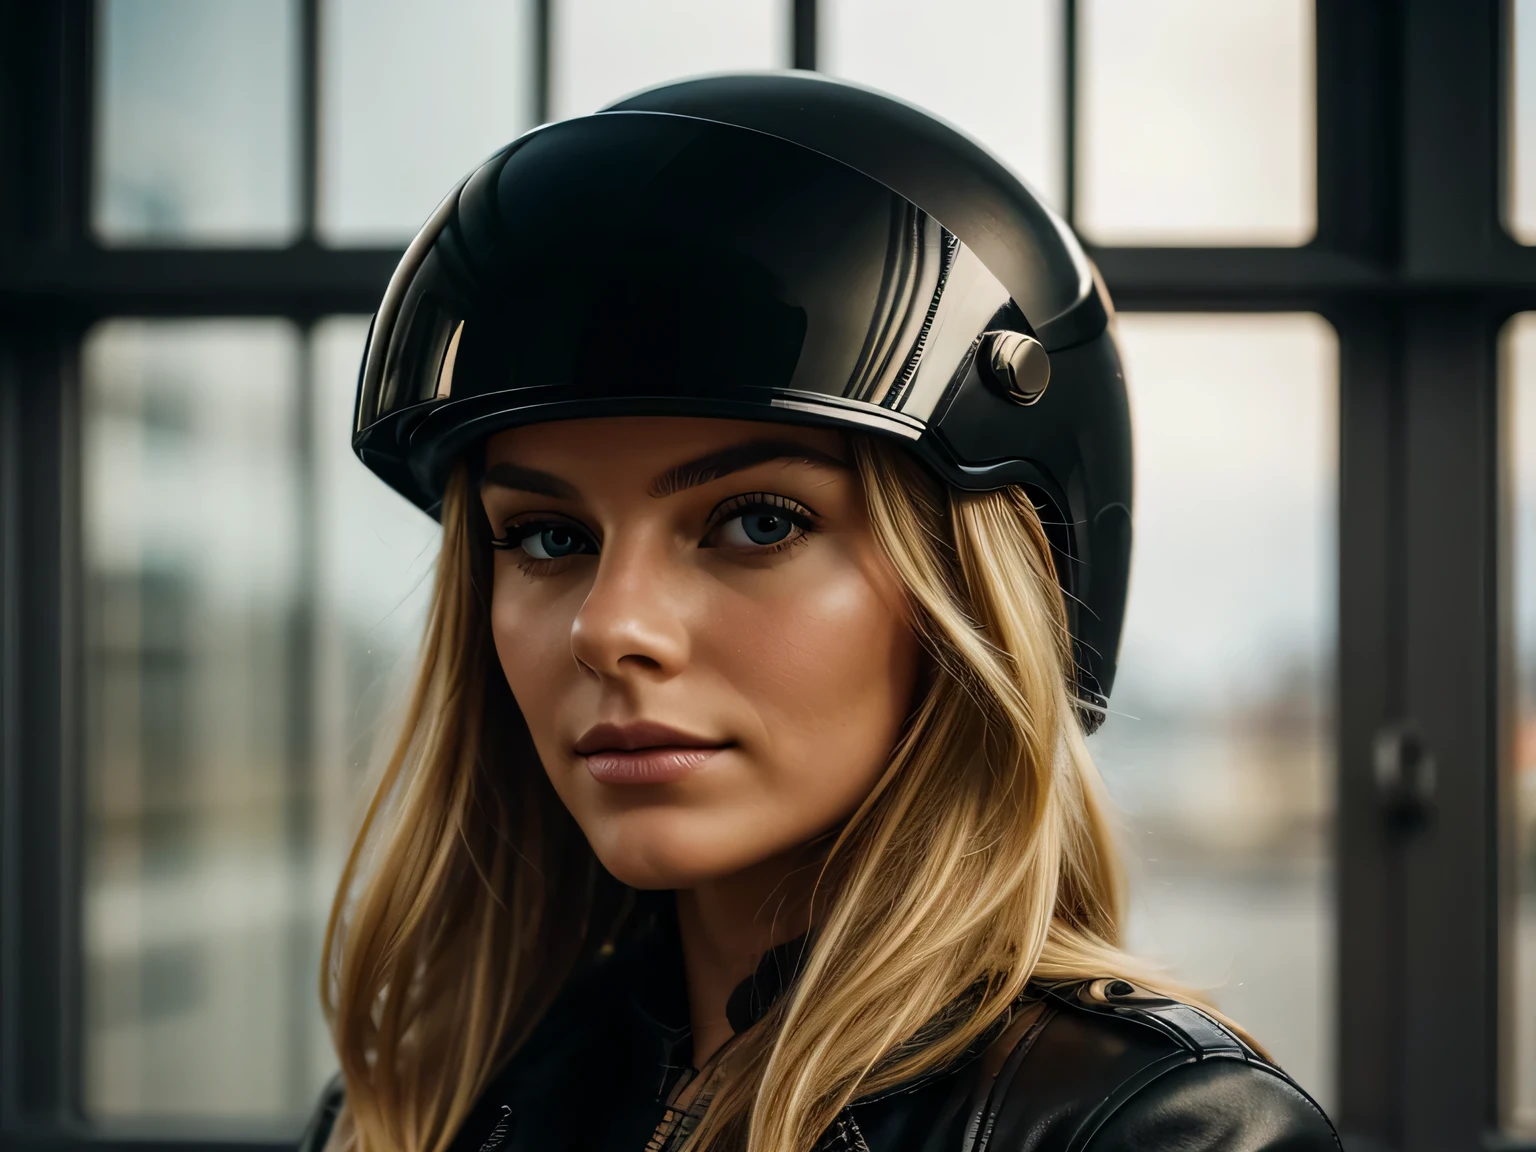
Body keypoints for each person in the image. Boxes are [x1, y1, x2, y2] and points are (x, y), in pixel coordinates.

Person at [302, 73, 1339, 1152]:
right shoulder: (414, 1101)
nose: (611, 629)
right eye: (550, 538)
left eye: (756, 522)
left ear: (980, 596)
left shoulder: (1165, 1135)